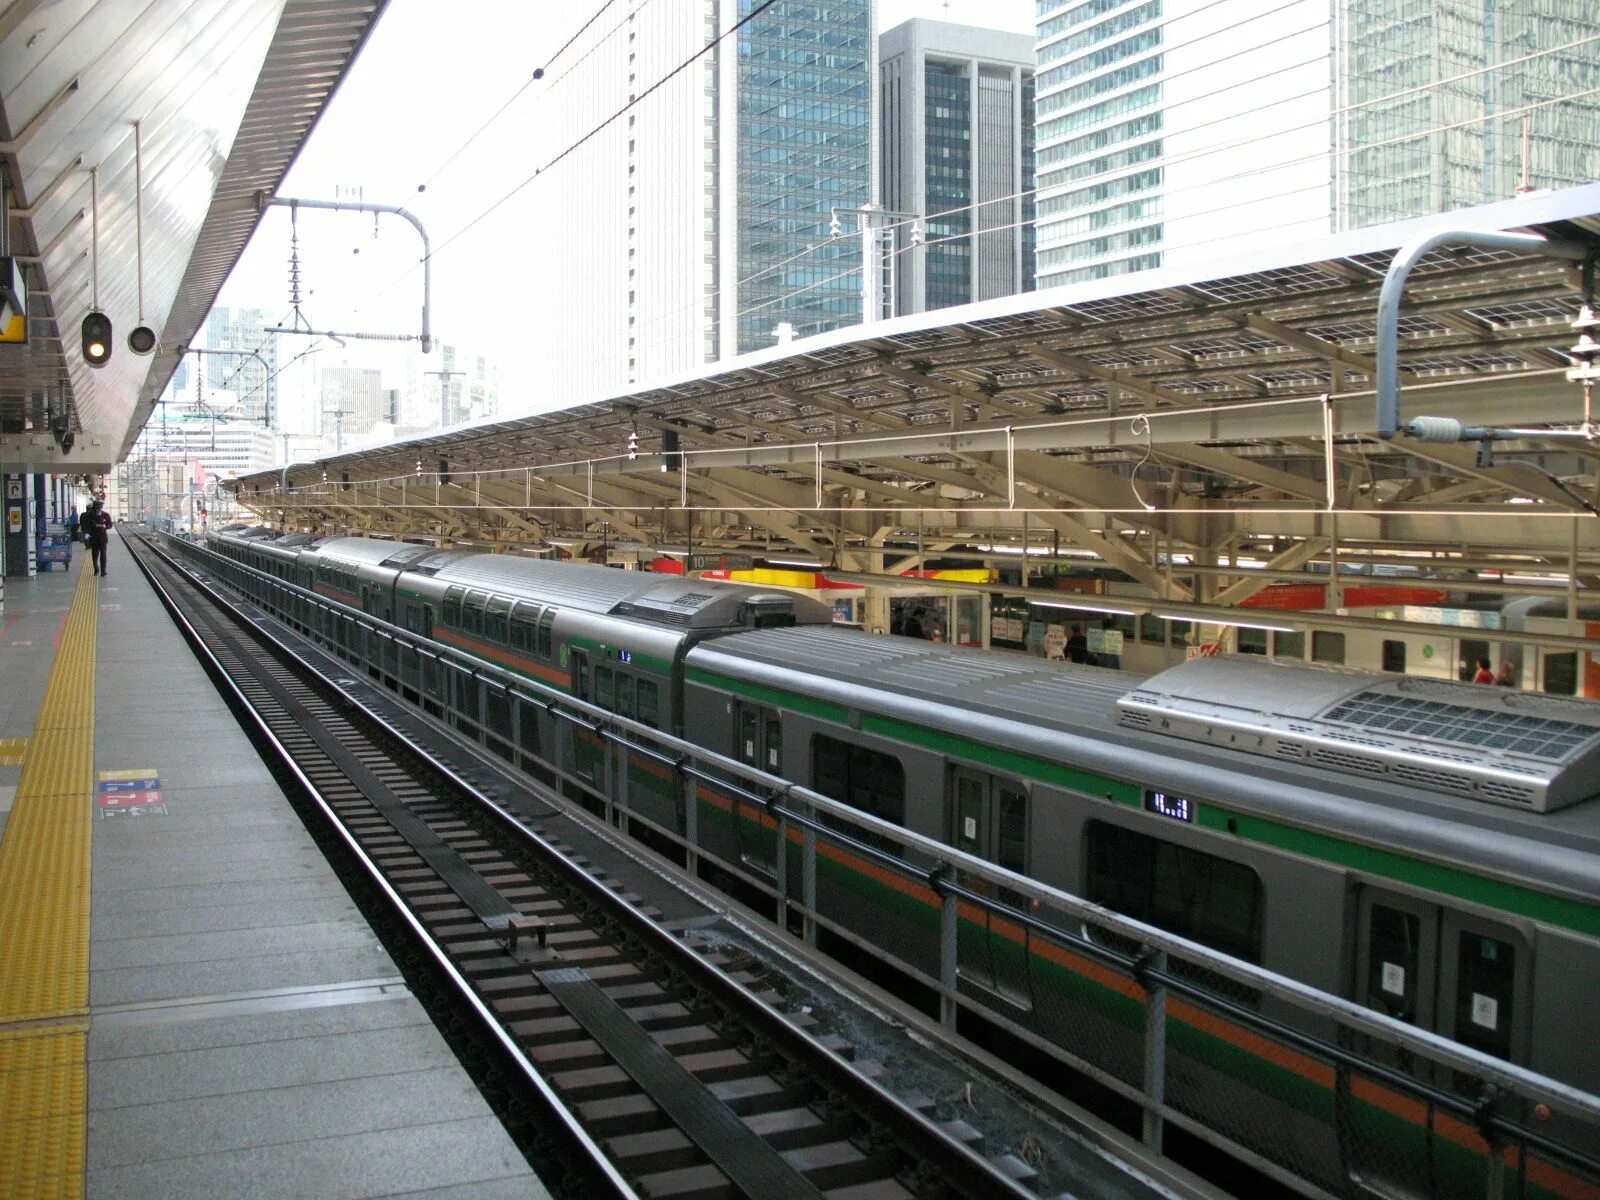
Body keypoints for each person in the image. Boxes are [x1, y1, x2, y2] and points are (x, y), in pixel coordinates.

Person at [85, 500, 112, 577]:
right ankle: (96, 569)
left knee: (103, 555)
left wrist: (105, 526)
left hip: (103, 538)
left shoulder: (106, 515)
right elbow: (87, 526)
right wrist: (86, 534)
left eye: (99, 508)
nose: (98, 510)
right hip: (94, 538)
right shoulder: (90, 515)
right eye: (96, 508)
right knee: (94, 555)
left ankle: (103, 571)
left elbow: (110, 525)